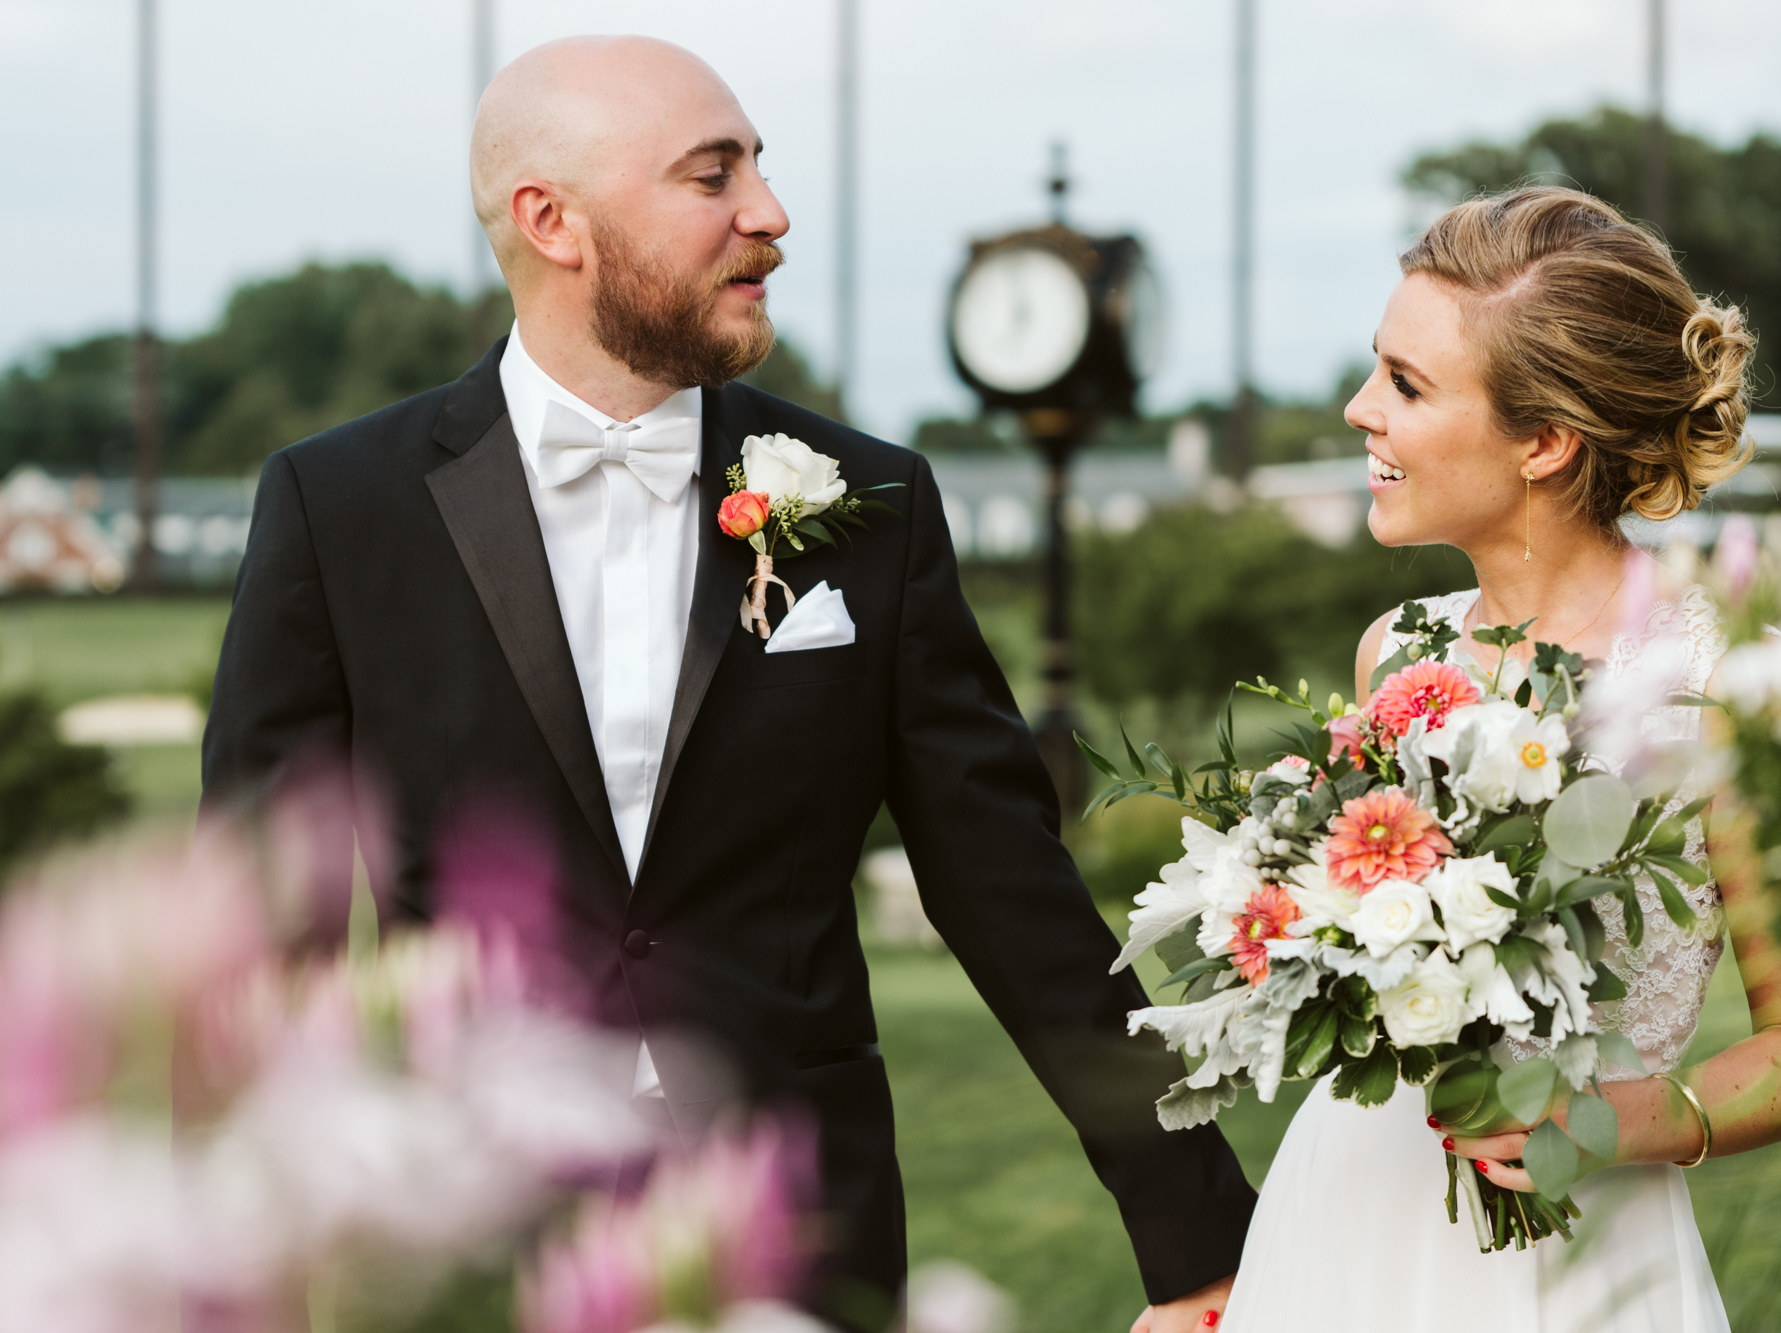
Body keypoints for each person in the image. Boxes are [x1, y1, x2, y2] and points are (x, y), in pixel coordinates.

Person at [200, 36, 1254, 1330]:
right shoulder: (339, 506)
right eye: (714, 175)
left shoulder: (871, 505)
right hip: (462, 1232)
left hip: (802, 1219)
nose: (770, 212)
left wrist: (1196, 1230)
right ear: (553, 221)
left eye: (759, 165)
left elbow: (1008, 883)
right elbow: (265, 916)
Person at [1218, 188, 1781, 1331]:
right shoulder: (1394, 653)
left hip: (1578, 1249)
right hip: (1343, 1215)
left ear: (1545, 442)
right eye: (1376, 370)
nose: (1360, 411)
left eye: (1404, 386)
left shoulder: (1731, 688)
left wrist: (1626, 1116)